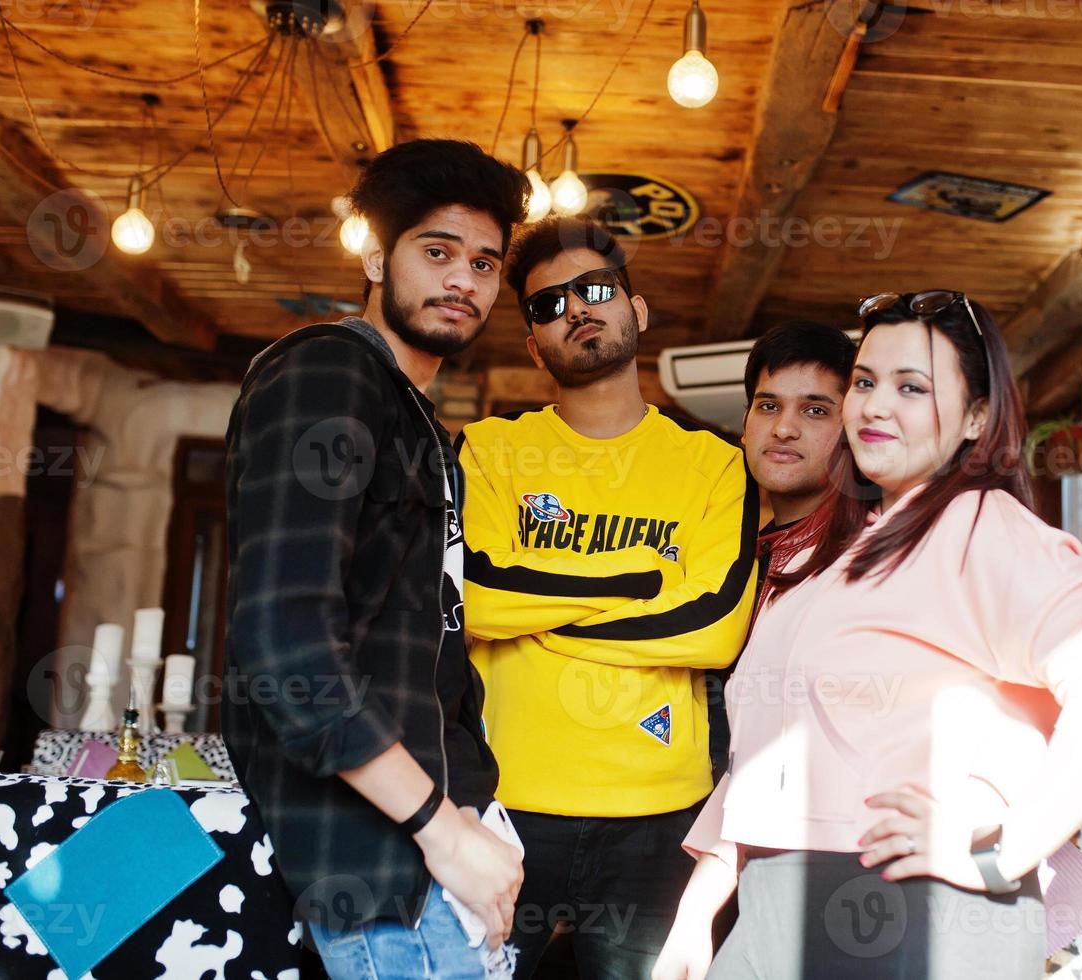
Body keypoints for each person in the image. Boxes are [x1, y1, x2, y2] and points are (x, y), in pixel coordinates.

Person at [653, 290, 1082, 979]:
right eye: (865, 383)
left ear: (977, 417)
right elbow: (765, 754)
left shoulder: (976, 526)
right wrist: (697, 918)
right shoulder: (829, 557)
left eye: (911, 387)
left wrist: (1001, 850)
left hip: (912, 911)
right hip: (772, 909)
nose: (873, 405)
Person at [223, 139, 528, 980]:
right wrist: (440, 827)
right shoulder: (326, 372)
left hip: (443, 849)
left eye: (485, 263)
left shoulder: (418, 420)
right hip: (382, 856)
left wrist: (471, 820)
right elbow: (287, 643)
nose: (463, 280)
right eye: (436, 252)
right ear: (372, 254)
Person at [456, 216, 758, 979]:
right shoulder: (490, 450)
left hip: (659, 815)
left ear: (637, 308)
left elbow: (715, 625)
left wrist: (543, 616)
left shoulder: (716, 465)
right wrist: (645, 573)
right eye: (547, 304)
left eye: (595, 289)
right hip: (505, 804)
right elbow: (480, 596)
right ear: (532, 344)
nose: (576, 309)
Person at [707, 320, 856, 778]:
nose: (784, 429)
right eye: (768, 405)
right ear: (744, 427)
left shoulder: (867, 557)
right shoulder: (725, 552)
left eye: (815, 410)